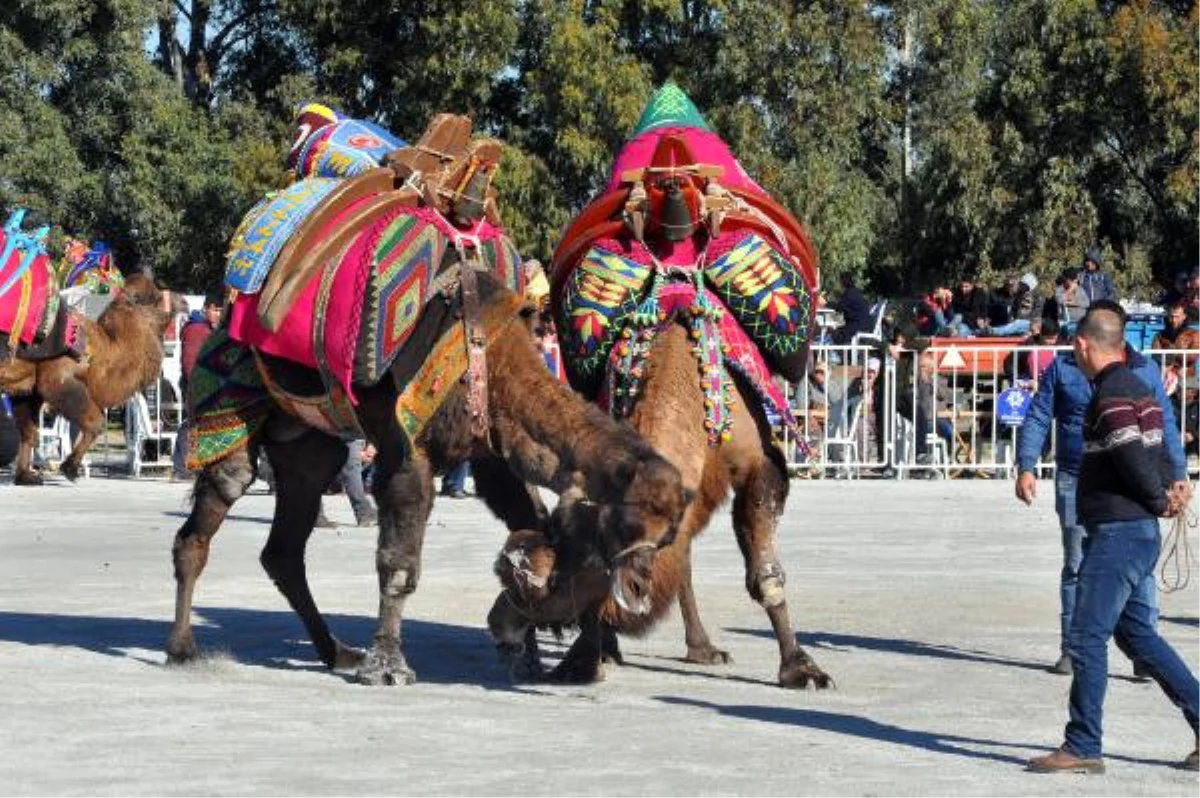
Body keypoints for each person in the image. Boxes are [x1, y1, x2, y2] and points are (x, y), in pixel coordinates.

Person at [1024, 306, 1200, 774]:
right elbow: (1158, 449)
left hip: (1120, 531)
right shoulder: (1140, 386)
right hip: (1135, 531)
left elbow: (1129, 456)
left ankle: (1083, 744)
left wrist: (1158, 497)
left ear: (1083, 345)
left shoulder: (1111, 395)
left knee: (1085, 636)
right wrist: (1168, 486)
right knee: (1139, 636)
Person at [172, 294, 222, 479]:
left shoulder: (205, 328)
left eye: (221, 311)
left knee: (196, 424)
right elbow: (190, 363)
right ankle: (186, 467)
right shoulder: (197, 330)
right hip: (197, 385)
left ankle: (185, 465)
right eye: (216, 310)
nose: (218, 314)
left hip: (202, 385)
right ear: (207, 308)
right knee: (195, 425)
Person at [826, 273, 873, 345]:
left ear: (843, 282)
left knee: (834, 333)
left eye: (839, 282)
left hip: (858, 326)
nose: (838, 284)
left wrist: (825, 303)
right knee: (831, 327)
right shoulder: (854, 292)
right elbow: (842, 310)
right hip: (861, 324)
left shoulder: (850, 293)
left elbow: (839, 308)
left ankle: (832, 353)